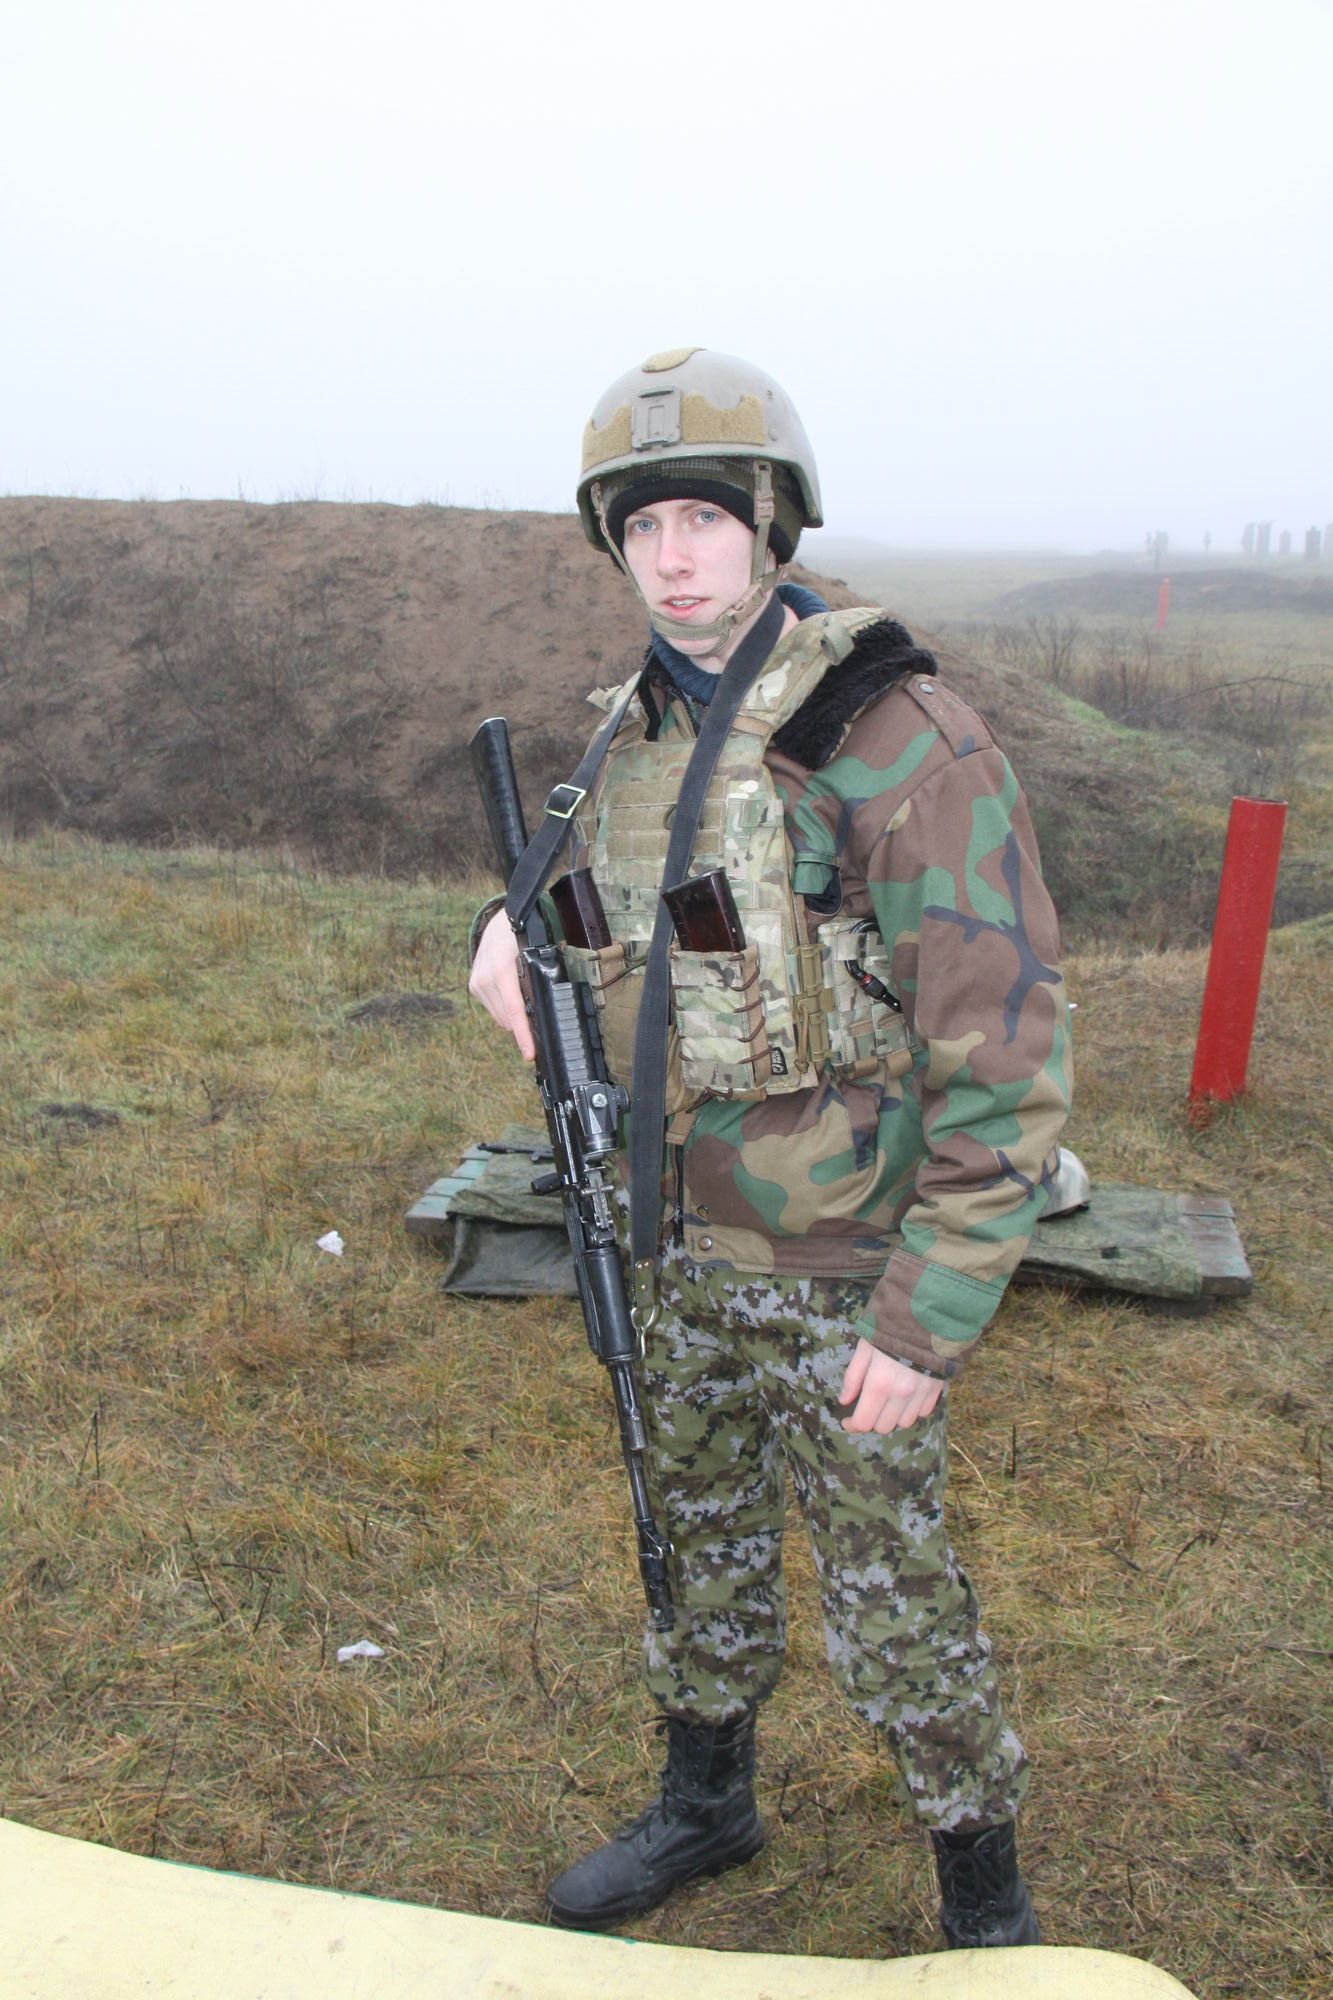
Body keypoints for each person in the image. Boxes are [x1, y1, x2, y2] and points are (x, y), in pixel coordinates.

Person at [469, 348, 1074, 1952]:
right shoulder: (628, 734)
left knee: (894, 1594)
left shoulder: (891, 734)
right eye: (641, 526)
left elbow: (1004, 1040)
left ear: (769, 523)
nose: (672, 559)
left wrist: (927, 1316)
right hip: (670, 1244)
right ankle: (706, 1800)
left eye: (703, 519)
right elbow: (600, 930)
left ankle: (982, 1893)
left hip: (842, 1269)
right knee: (693, 1546)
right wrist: (498, 928)